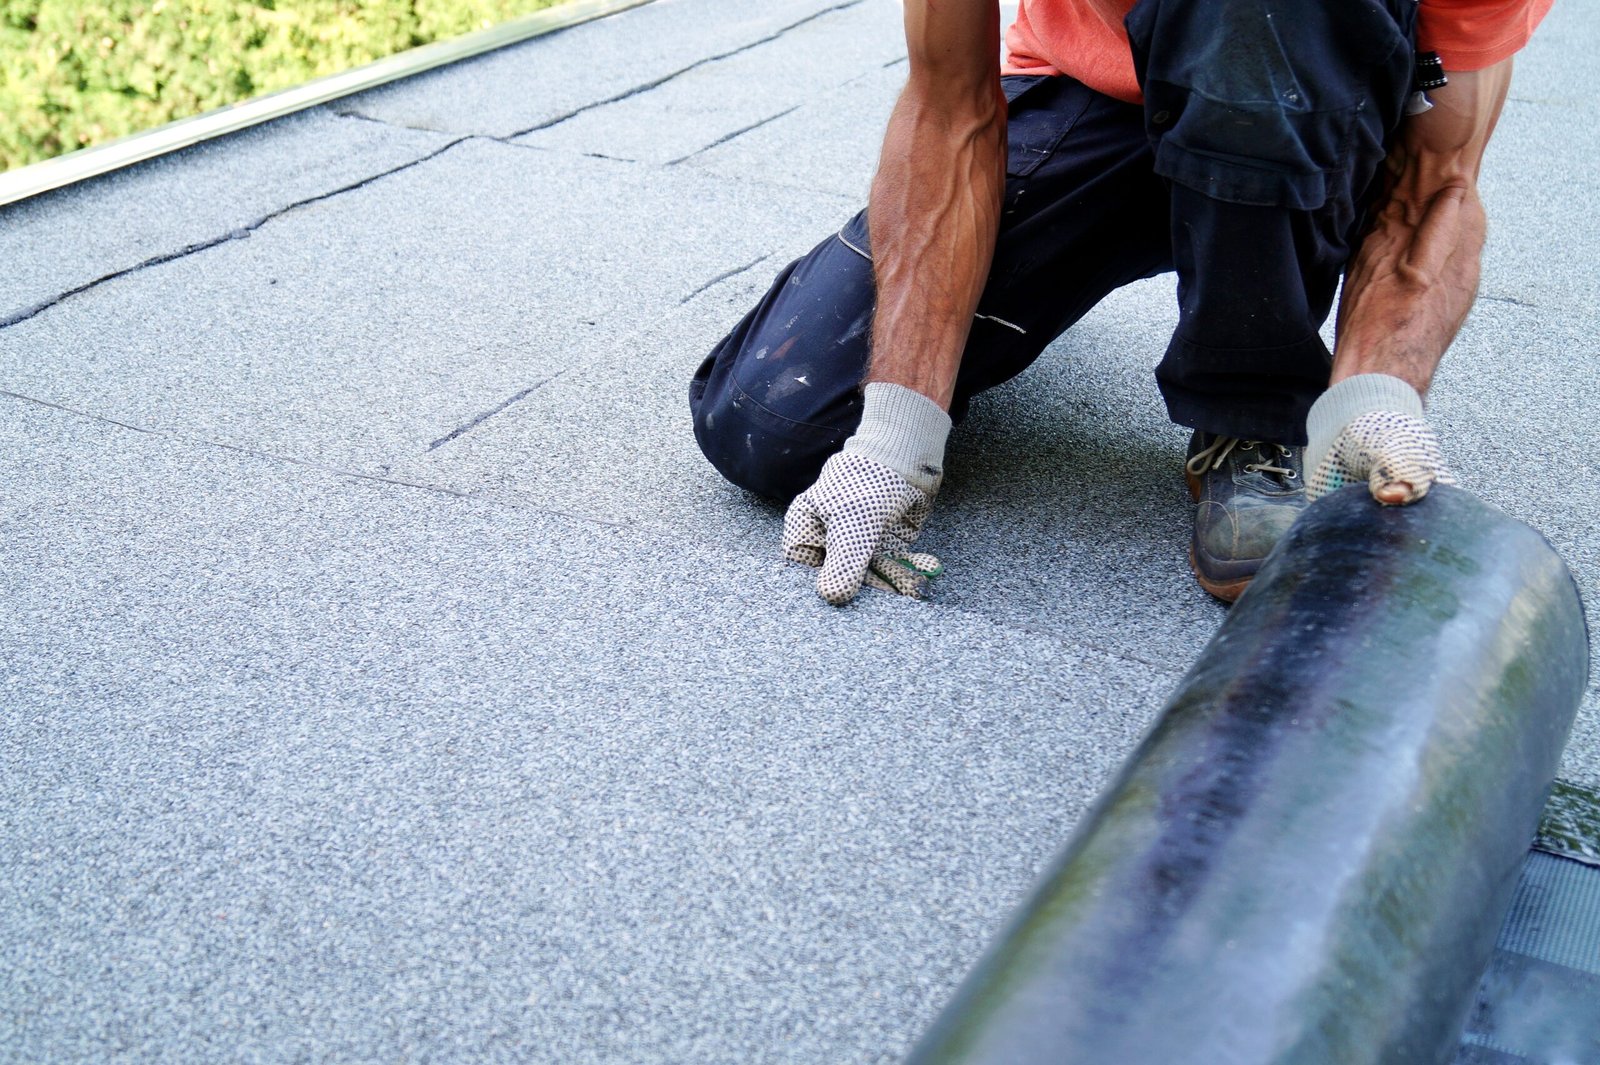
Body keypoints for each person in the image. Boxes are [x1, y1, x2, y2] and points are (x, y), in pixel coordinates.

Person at [689, 0, 1548, 605]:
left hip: (1304, 125)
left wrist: (1376, 390)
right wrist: (895, 429)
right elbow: (950, 110)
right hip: (1097, 102)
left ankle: (1249, 409)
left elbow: (1436, 179)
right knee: (772, 421)